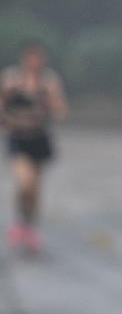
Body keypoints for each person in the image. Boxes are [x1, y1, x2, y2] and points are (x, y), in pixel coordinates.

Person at [0, 40, 68, 252]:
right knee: (25, 182)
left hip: (39, 138)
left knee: (36, 189)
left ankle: (29, 226)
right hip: (18, 137)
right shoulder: (11, 80)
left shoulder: (49, 81)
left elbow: (60, 109)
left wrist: (49, 102)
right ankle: (20, 221)